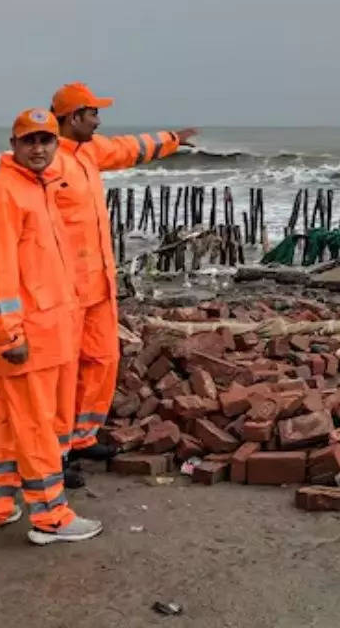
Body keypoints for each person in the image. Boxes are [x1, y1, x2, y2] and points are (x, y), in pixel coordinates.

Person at [50, 82, 197, 486]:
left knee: (101, 359)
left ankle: (81, 437)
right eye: (93, 114)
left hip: (97, 282)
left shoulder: (88, 152)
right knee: (63, 371)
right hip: (62, 287)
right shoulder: (48, 161)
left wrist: (171, 139)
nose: (99, 121)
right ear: (74, 117)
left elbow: (129, 148)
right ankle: (54, 455)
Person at [0, 109, 102, 545]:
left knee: (10, 419)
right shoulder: (1, 194)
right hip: (28, 337)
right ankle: (51, 518)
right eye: (30, 141)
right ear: (14, 144)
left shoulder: (38, 189)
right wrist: (10, 335)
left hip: (50, 330)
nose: (40, 148)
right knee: (37, 425)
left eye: (47, 140)